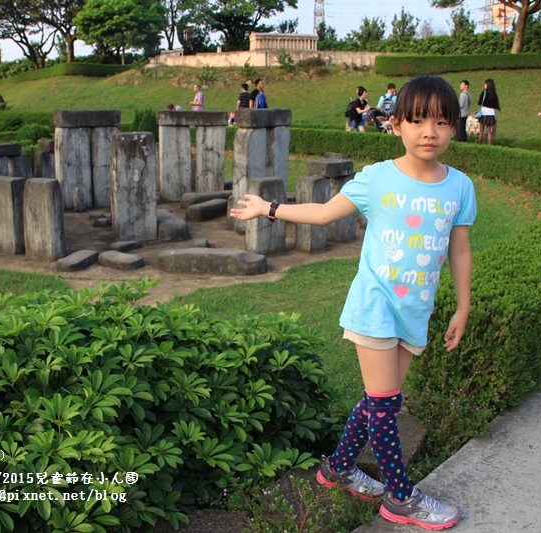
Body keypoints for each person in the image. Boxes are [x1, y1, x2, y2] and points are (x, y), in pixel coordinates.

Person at [230, 74, 475, 530]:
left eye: (442, 122)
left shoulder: (459, 186)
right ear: (397, 124)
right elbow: (323, 213)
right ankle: (400, 498)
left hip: (414, 311)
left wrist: (462, 307)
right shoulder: (377, 178)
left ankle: (338, 469)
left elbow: (459, 249)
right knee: (386, 406)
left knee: (378, 400)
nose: (430, 132)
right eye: (418, 121)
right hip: (375, 306)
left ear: (455, 127)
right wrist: (270, 208)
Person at [477, 78, 500, 145]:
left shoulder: (483, 92)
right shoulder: (494, 94)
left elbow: (479, 102)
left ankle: (479, 144)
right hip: (491, 113)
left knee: (481, 130)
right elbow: (496, 105)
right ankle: (489, 145)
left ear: (487, 84)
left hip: (484, 113)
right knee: (489, 131)